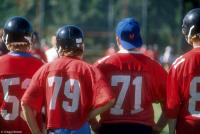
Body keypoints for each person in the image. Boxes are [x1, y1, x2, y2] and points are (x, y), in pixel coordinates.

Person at [21, 25, 115, 134]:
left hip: (55, 130)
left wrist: (36, 132)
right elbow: (110, 99)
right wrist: (88, 116)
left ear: (59, 46)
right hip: (81, 129)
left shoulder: (46, 69)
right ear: (81, 46)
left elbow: (25, 103)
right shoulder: (88, 69)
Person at [93, 18, 168, 134]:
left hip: (110, 127)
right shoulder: (153, 66)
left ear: (118, 40)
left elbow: (84, 99)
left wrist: (94, 124)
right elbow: (170, 102)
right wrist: (158, 128)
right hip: (142, 128)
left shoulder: (101, 65)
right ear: (138, 39)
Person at [0, 16, 44, 133]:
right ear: (29, 39)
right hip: (32, 130)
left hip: (5, 128)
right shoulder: (41, 65)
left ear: (6, 38)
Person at [166, 8, 200, 134]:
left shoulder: (179, 64)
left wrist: (171, 131)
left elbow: (172, 106)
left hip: (189, 127)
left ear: (192, 31)